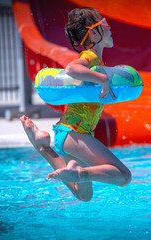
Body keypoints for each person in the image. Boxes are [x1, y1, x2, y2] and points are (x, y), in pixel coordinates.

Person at [20, 7, 131, 202]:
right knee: (123, 176)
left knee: (83, 194)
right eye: (104, 22)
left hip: (71, 133)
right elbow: (71, 68)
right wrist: (103, 79)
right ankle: (79, 172)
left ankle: (42, 146)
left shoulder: (95, 58)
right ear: (94, 32)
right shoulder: (91, 57)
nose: (109, 26)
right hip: (74, 132)